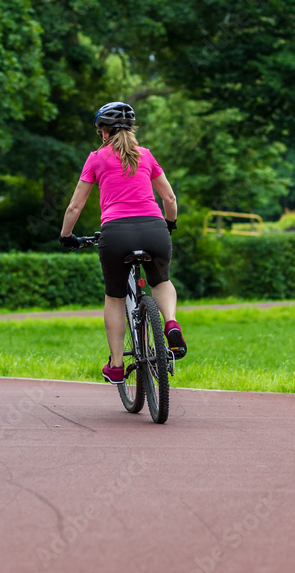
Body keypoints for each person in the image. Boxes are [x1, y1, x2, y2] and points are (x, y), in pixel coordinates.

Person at [58, 101, 186, 385]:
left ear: (103, 133)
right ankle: (171, 323)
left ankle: (116, 365)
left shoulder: (96, 158)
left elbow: (74, 208)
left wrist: (67, 237)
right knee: (161, 281)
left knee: (115, 296)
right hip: (154, 229)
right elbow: (170, 199)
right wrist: (169, 225)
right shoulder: (147, 155)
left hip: (116, 234)